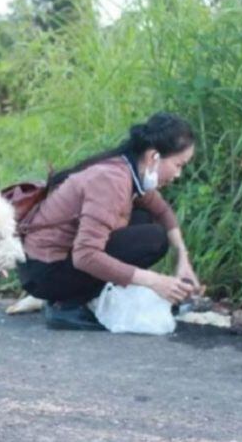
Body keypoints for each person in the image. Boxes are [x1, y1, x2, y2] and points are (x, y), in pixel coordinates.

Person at [17, 112, 201, 330]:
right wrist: (155, 281)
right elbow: (85, 256)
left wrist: (183, 259)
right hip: (44, 273)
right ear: (154, 157)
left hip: (50, 263)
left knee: (145, 218)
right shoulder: (111, 181)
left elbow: (163, 211)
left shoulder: (131, 170)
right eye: (179, 165)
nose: (178, 174)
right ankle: (65, 304)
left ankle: (77, 297)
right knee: (153, 239)